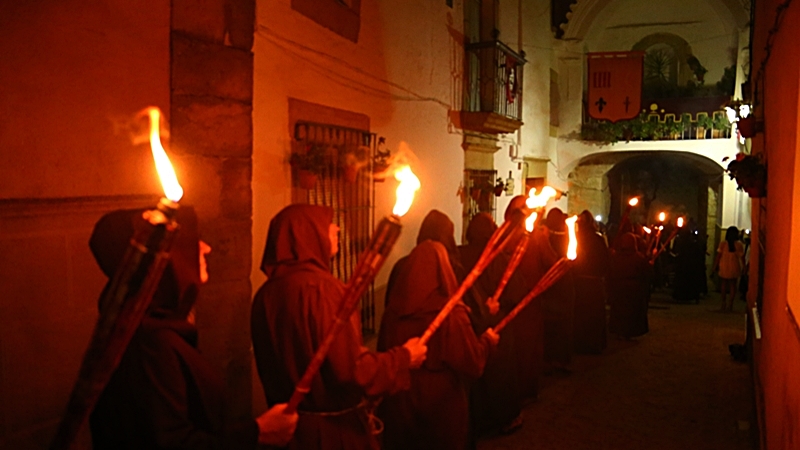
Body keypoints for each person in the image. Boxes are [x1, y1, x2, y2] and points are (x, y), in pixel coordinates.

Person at [89, 207, 298, 449]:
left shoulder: (147, 324)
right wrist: (257, 433)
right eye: (190, 241)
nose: (206, 248)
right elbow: (170, 442)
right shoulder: (151, 342)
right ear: (160, 258)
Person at [251, 204, 427, 450]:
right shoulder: (322, 290)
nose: (337, 228)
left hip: (286, 434)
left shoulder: (265, 295)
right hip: (331, 435)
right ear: (306, 233)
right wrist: (404, 357)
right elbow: (351, 371)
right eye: (327, 223)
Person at [378, 211, 498, 450]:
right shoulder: (450, 314)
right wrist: (486, 341)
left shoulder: (393, 311)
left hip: (400, 398)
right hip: (440, 405)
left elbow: (384, 349)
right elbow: (471, 361)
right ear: (442, 269)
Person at [458, 213, 523, 437]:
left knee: (475, 374)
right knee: (498, 374)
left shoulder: (458, 255)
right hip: (496, 325)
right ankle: (501, 419)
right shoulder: (497, 258)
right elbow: (513, 294)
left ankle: (474, 420)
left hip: (468, 323)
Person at [541, 207, 576, 372]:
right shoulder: (545, 238)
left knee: (552, 325)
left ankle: (551, 359)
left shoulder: (565, 239)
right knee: (558, 325)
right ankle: (557, 360)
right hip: (555, 286)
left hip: (553, 287)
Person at [573, 210, 610, 354]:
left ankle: (585, 344)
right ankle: (591, 345)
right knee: (590, 317)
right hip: (589, 283)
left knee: (585, 316)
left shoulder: (584, 239)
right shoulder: (577, 239)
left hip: (584, 283)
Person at [608, 233, 652, 340]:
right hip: (633, 289)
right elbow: (646, 274)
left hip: (619, 287)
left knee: (620, 311)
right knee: (630, 313)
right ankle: (628, 332)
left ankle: (620, 331)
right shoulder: (638, 258)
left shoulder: (616, 257)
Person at [712, 226, 745, 312]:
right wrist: (744, 267)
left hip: (724, 265)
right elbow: (742, 257)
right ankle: (730, 304)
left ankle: (723, 303)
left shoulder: (723, 244)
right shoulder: (739, 245)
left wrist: (715, 266)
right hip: (734, 266)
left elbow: (718, 256)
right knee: (732, 286)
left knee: (723, 284)